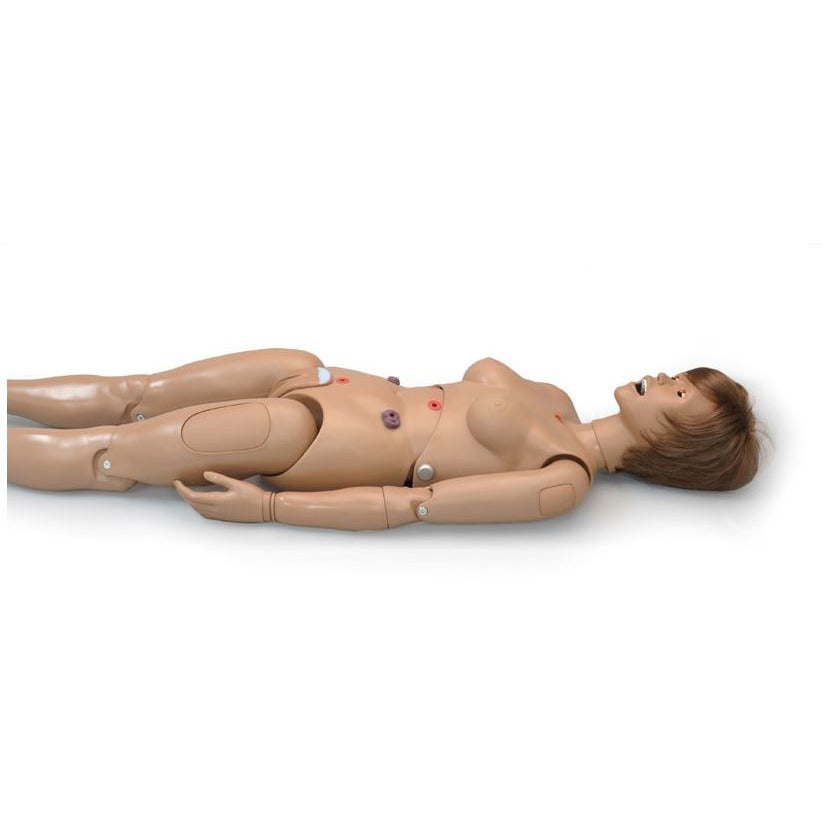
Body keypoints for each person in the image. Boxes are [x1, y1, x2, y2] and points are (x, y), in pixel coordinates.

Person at [7, 347, 764, 530]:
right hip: (318, 375)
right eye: (681, 377)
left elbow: (413, 507)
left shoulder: (561, 479)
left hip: (311, 436)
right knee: (134, 393)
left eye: (681, 393)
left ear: (679, 441)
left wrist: (271, 509)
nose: (665, 377)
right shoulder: (556, 401)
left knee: (114, 452)